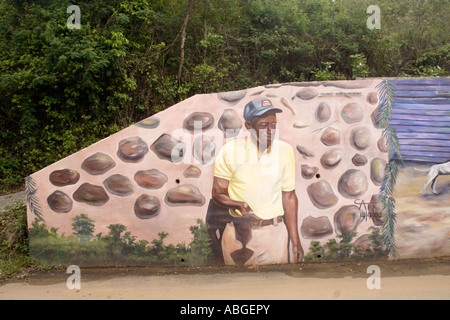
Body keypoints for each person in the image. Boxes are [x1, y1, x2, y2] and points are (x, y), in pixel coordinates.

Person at [206, 98, 303, 265]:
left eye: (273, 124)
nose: (270, 129)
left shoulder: (285, 151)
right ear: (248, 126)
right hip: (236, 235)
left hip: (274, 235)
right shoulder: (230, 151)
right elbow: (217, 193)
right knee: (237, 288)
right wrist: (238, 204)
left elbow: (289, 197)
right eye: (263, 125)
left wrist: (295, 241)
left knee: (277, 286)